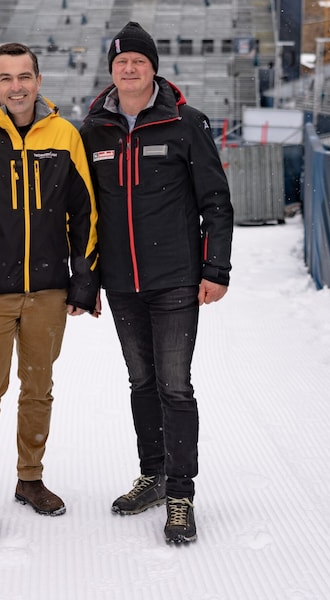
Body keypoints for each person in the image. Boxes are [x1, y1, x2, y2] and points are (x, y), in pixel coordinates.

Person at [79, 22, 234, 544]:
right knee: (141, 384)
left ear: (152, 68)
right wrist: (88, 280)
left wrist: (217, 269)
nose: (129, 69)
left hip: (175, 280)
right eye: (121, 62)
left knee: (175, 386)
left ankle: (181, 495)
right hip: (122, 283)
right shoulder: (93, 130)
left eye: (138, 61)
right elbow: (85, 213)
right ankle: (153, 474)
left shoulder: (186, 124)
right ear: (111, 70)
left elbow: (216, 201)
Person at [0, 42, 99, 543]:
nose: (16, 86)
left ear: (39, 79)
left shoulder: (64, 135)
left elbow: (84, 212)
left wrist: (84, 280)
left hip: (49, 291)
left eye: (24, 76)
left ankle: (30, 479)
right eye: (5, 78)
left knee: (38, 390)